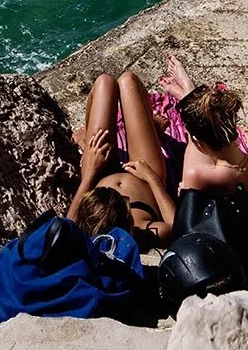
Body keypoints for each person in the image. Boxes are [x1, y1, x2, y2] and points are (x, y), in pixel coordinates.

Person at [159, 54, 248, 216]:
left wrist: (184, 191)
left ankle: (190, 97)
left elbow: (187, 217)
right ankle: (190, 97)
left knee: (197, 134)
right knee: (202, 129)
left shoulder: (199, 176)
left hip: (245, 235)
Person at [67, 71, 176, 247]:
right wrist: (152, 178)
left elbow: (69, 223)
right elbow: (177, 229)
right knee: (128, 80)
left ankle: (88, 137)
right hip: (143, 177)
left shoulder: (92, 234)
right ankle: (152, 129)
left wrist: (91, 171)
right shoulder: (143, 232)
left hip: (99, 174)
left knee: (104, 82)